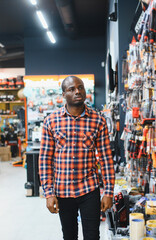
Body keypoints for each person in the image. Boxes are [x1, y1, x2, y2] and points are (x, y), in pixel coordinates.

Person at [39, 76, 115, 240]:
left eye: (80, 87)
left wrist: (108, 192)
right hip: (62, 190)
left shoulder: (98, 120)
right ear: (63, 94)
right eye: (71, 89)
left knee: (93, 235)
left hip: (89, 189)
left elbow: (106, 159)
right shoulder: (51, 122)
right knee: (69, 235)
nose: (77, 91)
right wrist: (49, 193)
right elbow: (45, 160)